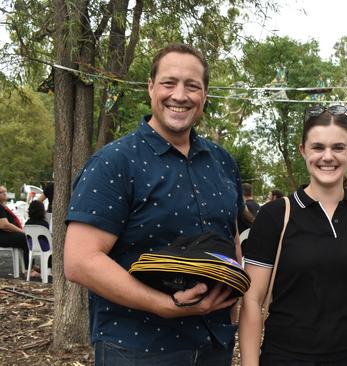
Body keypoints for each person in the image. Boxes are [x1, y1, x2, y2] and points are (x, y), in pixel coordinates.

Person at [63, 43, 244, 366]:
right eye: (169, 83)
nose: (180, 95)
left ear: (204, 95)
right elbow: (80, 260)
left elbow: (229, 239)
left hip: (213, 343)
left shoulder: (222, 162)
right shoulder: (115, 162)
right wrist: (163, 304)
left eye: (192, 86)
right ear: (150, 88)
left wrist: (232, 312)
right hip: (137, 346)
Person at [239, 104, 347, 365]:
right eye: (318, 147)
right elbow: (252, 300)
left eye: (338, 147)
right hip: (286, 357)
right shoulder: (275, 216)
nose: (328, 156)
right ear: (303, 150)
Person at [0, 185, 30, 272]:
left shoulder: (3, 207)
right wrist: (21, 231)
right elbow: (4, 225)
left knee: (24, 237)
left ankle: (30, 266)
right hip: (2, 236)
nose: (5, 194)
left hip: (4, 235)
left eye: (5, 192)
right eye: (1, 192)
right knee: (26, 238)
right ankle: (29, 269)